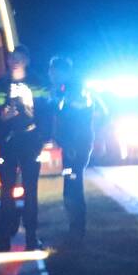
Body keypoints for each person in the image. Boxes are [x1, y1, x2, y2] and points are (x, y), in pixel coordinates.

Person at [0, 47, 51, 251]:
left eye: (19, 58)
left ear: (27, 60)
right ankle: (3, 238)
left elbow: (47, 111)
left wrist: (42, 136)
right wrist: (1, 117)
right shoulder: (0, 85)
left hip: (30, 141)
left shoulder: (37, 83)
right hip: (8, 142)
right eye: (12, 58)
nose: (15, 61)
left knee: (31, 191)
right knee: (6, 192)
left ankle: (31, 237)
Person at [49, 56, 101, 241]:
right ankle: (75, 227)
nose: (51, 75)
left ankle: (77, 228)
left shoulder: (76, 91)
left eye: (54, 71)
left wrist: (71, 144)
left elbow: (76, 121)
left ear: (64, 72)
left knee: (73, 184)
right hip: (72, 144)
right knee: (71, 183)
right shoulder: (67, 90)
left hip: (76, 145)